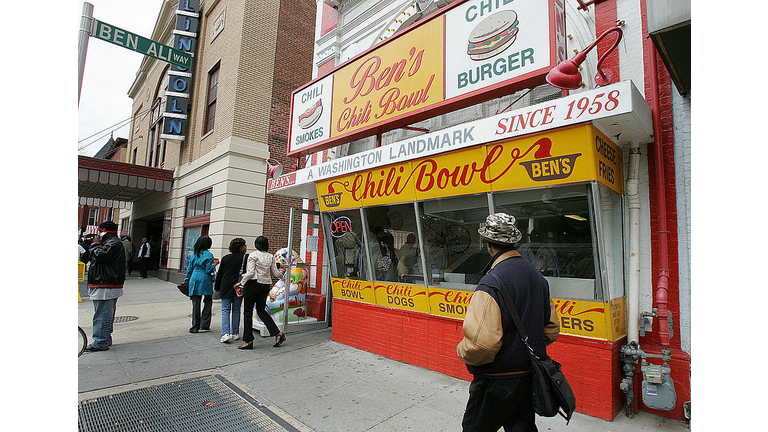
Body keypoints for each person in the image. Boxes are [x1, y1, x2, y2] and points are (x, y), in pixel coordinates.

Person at [456, 213, 560, 432]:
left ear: (488, 244)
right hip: (528, 377)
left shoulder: (490, 283)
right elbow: (551, 330)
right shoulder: (538, 279)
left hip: (495, 381)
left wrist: (462, 352)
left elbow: (481, 345)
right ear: (514, 241)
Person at [235, 236, 286, 349]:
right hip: (265, 285)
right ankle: (277, 334)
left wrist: (241, 283)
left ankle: (248, 341)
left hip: (252, 284)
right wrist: (283, 276)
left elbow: (250, 273)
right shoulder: (271, 257)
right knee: (261, 311)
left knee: (248, 312)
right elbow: (276, 273)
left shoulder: (253, 255)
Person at [84, 221, 126, 352]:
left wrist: (95, 244)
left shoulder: (113, 244)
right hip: (105, 284)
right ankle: (104, 338)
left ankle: (101, 340)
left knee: (102, 315)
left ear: (105, 232)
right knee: (104, 314)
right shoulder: (111, 244)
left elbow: (99, 255)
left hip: (106, 284)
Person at [184, 235, 219, 333]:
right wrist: (214, 265)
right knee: (207, 302)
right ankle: (205, 324)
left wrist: (186, 280)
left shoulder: (194, 254)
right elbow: (208, 269)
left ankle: (195, 326)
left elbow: (189, 269)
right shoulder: (209, 255)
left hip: (194, 278)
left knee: (196, 303)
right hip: (205, 279)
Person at [214, 237, 247, 343]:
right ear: (241, 247)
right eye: (245, 245)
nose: (246, 247)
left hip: (226, 286)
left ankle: (225, 333)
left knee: (225, 310)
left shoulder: (226, 258)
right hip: (239, 287)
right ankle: (235, 333)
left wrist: (217, 287)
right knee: (236, 310)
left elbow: (220, 274)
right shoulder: (246, 258)